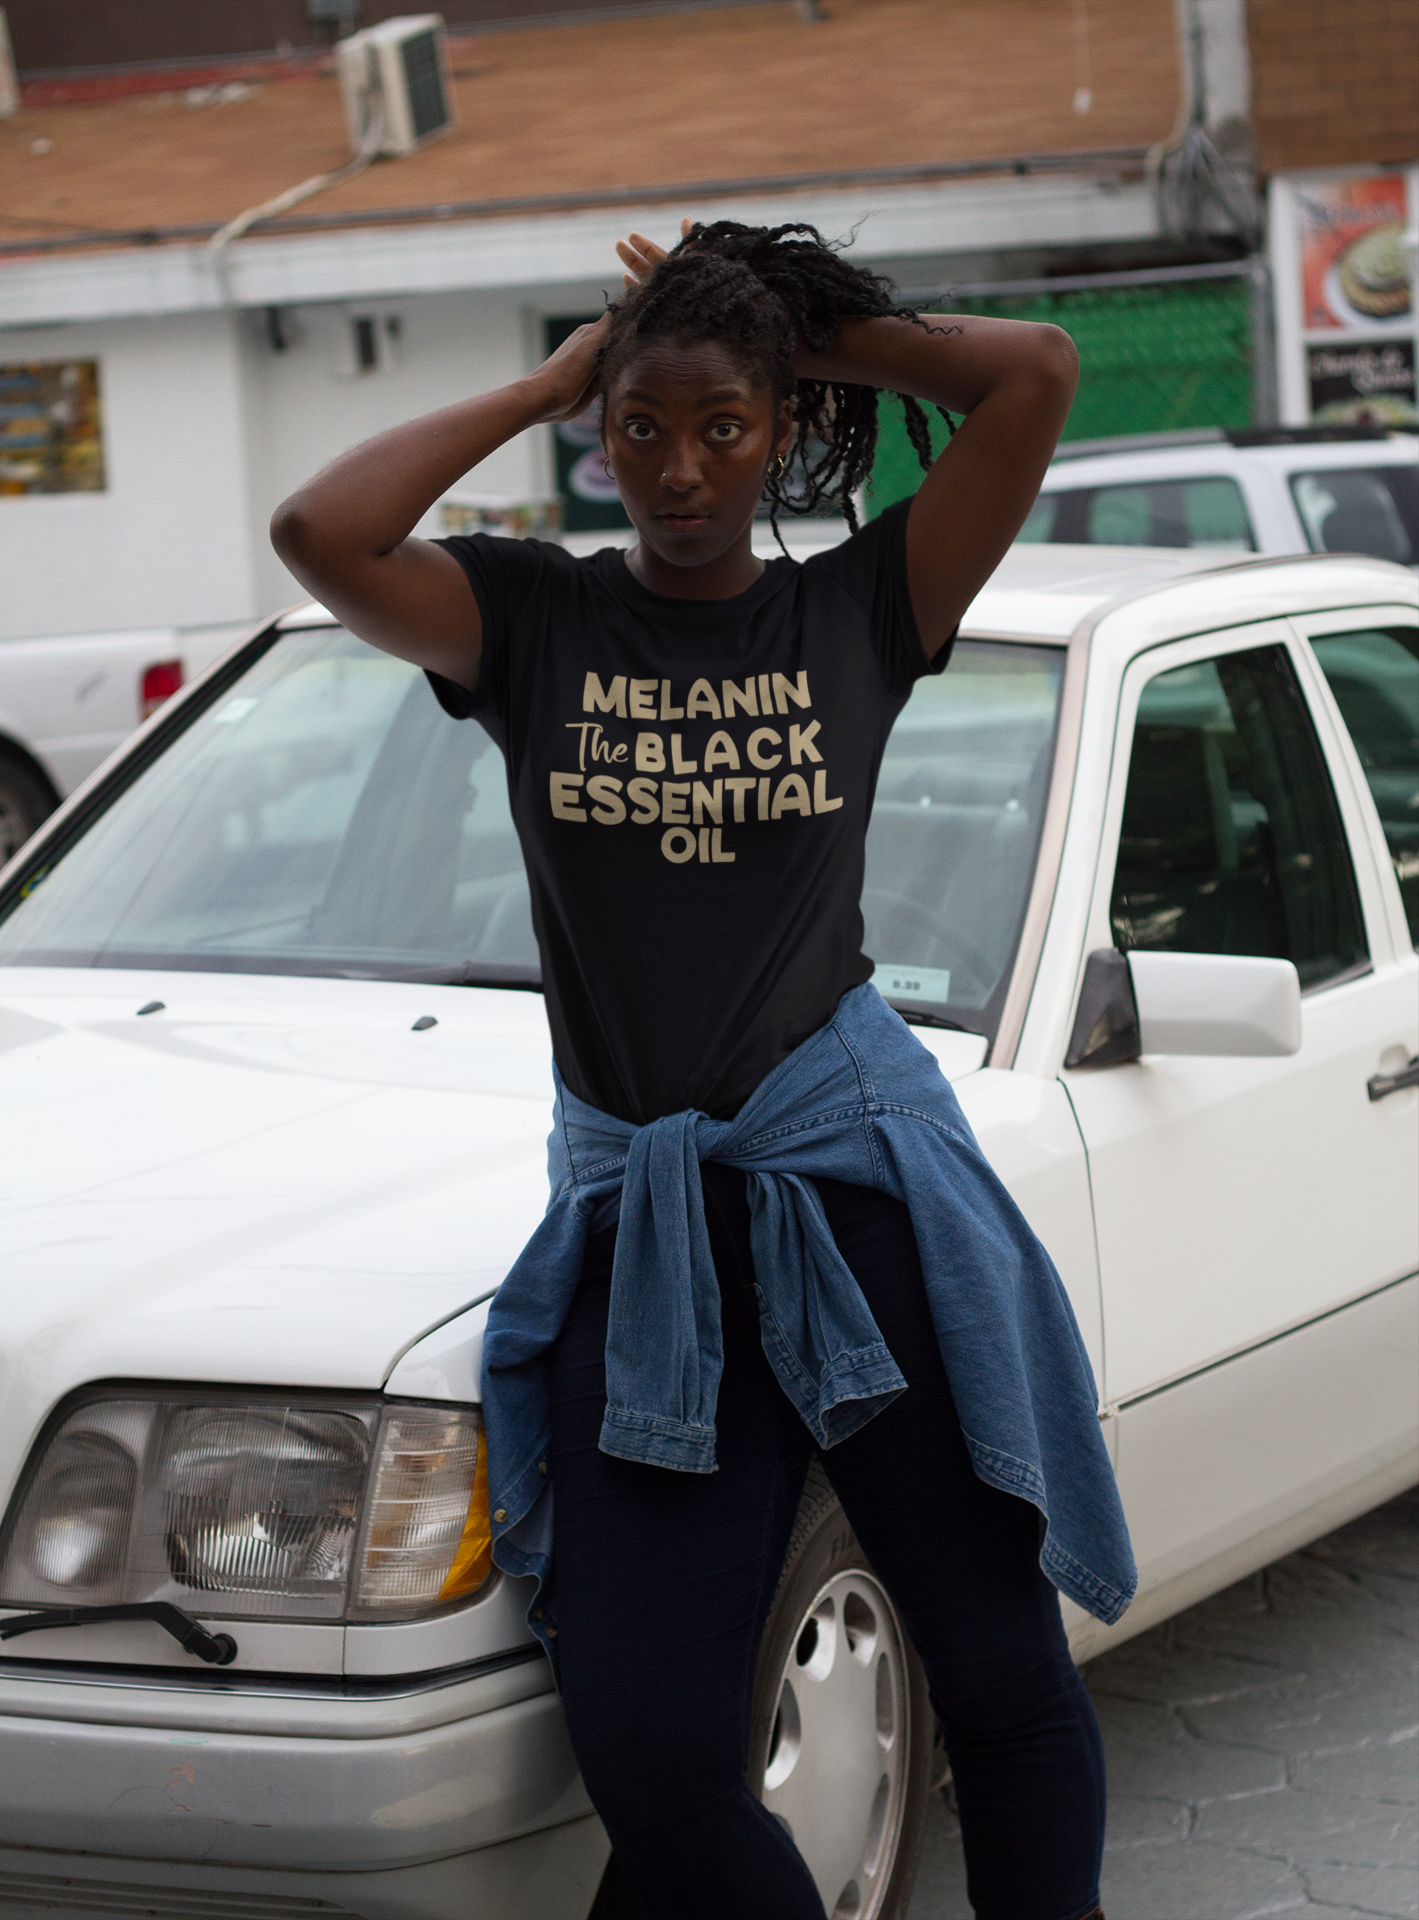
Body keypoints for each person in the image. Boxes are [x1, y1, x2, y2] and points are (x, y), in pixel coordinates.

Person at [272, 218, 1131, 1920]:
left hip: (855, 1196)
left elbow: (1032, 376)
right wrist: (554, 374)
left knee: (1002, 1682)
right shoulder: (529, 619)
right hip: (648, 1239)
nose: (679, 470)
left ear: (775, 430)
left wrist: (808, 332)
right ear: (601, 437)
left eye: (723, 428)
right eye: (643, 429)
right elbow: (321, 531)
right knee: (657, 1751)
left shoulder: (862, 608)